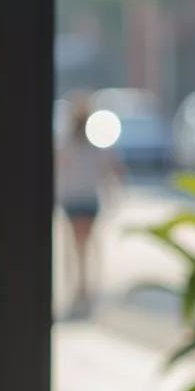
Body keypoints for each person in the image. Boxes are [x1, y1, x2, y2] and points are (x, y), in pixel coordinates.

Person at [58, 93, 125, 318]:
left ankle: (83, 285)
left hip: (77, 197)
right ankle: (84, 285)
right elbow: (111, 167)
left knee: (78, 245)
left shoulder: (71, 141)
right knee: (86, 244)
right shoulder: (89, 140)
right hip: (84, 197)